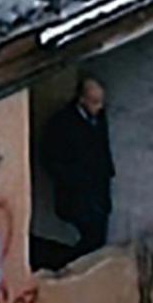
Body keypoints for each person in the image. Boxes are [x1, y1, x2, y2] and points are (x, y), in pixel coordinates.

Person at [38, 74, 115, 268]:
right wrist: (71, 179)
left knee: (97, 236)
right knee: (90, 237)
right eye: (95, 102)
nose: (99, 107)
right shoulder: (62, 124)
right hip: (77, 192)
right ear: (81, 100)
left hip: (97, 188)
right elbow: (49, 157)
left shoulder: (98, 118)